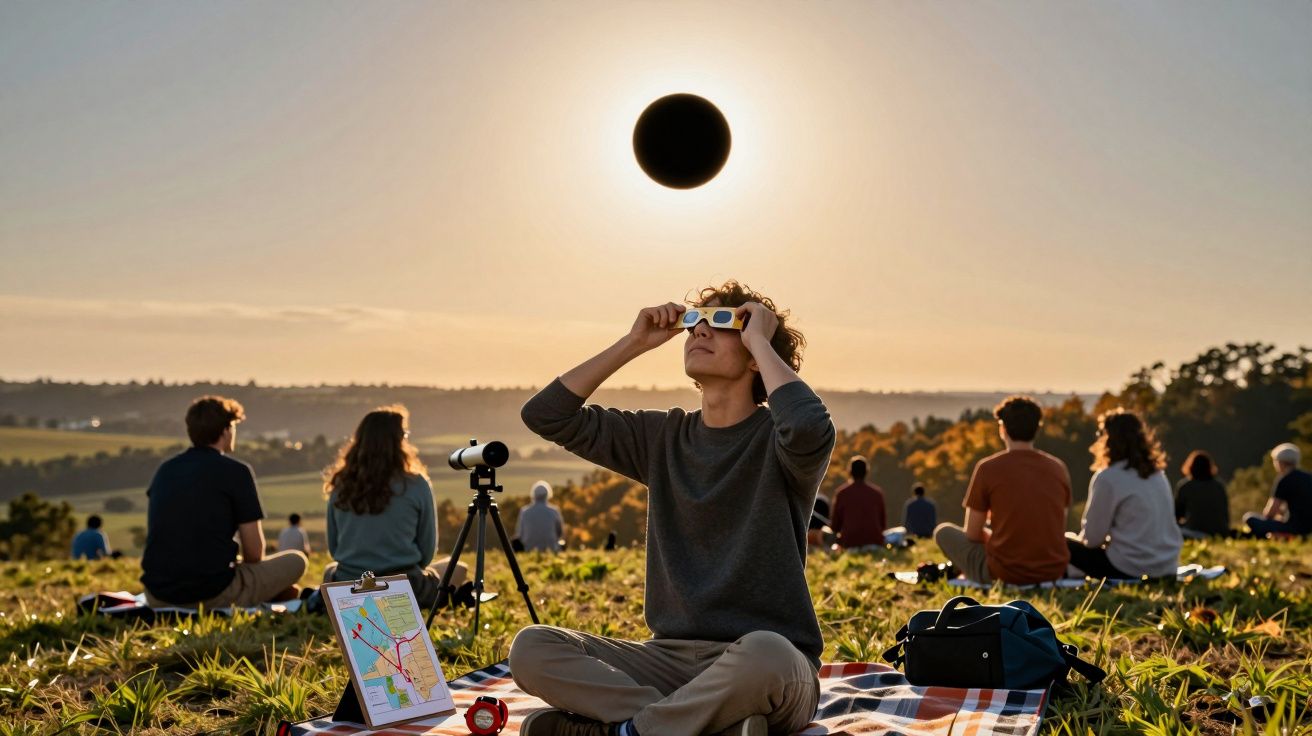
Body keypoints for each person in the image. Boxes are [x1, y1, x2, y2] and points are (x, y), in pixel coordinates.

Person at [510, 281, 835, 736]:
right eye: (693, 322)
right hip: (666, 660)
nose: (700, 330)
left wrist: (760, 337)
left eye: (723, 322)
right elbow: (546, 415)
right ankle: (702, 725)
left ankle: (625, 732)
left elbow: (808, 426)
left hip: (766, 665)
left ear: (754, 356)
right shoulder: (661, 437)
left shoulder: (781, 442)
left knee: (768, 654)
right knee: (533, 646)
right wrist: (634, 342)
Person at [141, 396, 307, 608]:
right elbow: (254, 554)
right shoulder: (236, 471)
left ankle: (272, 593)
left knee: (284, 587)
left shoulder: (165, 470)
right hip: (211, 592)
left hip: (157, 595)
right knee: (297, 560)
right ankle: (268, 594)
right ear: (227, 429)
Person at [322, 406, 467, 608]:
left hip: (350, 585)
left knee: (331, 569)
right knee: (459, 569)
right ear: (400, 440)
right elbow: (426, 554)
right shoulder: (416, 484)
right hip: (404, 587)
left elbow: (335, 549)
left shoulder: (340, 485)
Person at [934, 396, 1071, 585]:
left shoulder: (987, 468)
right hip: (1053, 570)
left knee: (944, 532)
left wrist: (993, 536)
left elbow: (972, 534)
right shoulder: (1058, 468)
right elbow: (1058, 527)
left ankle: (967, 571)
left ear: (1002, 429)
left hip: (1005, 572)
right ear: (1037, 428)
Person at [1067, 410, 1181, 579]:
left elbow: (1092, 539)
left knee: (1062, 543)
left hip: (1130, 568)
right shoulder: (1158, 475)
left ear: (1108, 440)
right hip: (1167, 566)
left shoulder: (1108, 478)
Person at [1243, 443, 1312, 538]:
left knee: (1249, 518)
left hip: (1294, 529)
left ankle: (1270, 536)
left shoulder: (1284, 480)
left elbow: (1270, 513)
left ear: (1280, 462)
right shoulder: (1309, 477)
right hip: (1309, 529)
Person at [830, 455, 887, 550]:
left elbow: (835, 527)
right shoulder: (877, 493)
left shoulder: (842, 493)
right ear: (866, 472)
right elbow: (883, 524)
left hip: (849, 543)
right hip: (874, 542)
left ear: (850, 472)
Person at [1174, 451, 1230, 539]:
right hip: (1221, 533)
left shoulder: (1185, 487)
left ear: (1190, 467)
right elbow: (1225, 516)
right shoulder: (1219, 486)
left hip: (1196, 533)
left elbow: (1177, 515)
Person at [517, 481, 565, 552]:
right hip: (551, 549)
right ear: (548, 494)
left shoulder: (524, 512)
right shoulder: (554, 511)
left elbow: (520, 534)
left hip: (529, 549)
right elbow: (560, 533)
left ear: (533, 495)